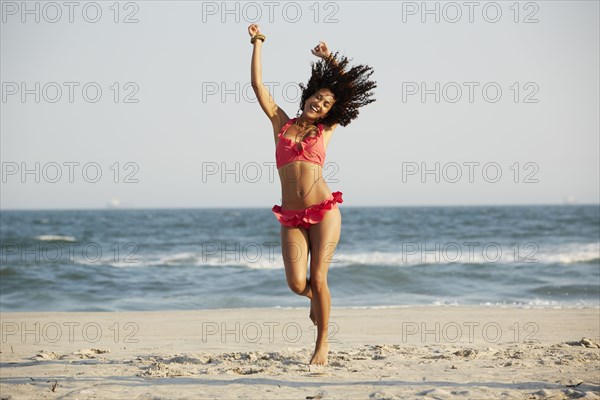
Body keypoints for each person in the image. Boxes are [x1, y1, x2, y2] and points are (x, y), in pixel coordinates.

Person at [248, 23, 376, 365]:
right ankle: (314, 301)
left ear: (330, 111)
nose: (320, 103)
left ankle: (322, 345)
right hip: (291, 216)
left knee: (319, 276)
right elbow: (258, 86)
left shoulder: (327, 129)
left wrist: (330, 58)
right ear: (306, 98)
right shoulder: (281, 124)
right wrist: (257, 42)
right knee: (296, 284)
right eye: (317, 97)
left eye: (326, 103)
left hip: (323, 210)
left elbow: (347, 91)